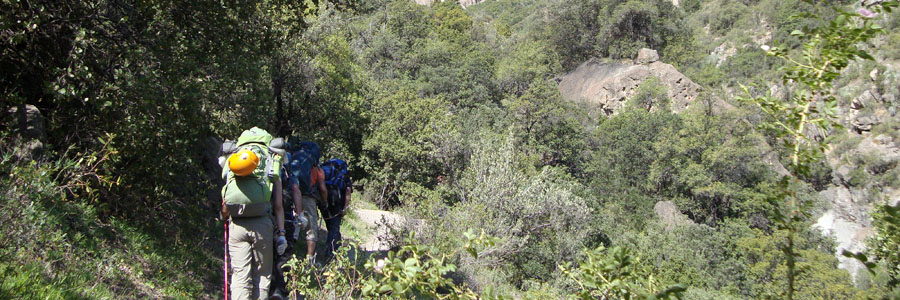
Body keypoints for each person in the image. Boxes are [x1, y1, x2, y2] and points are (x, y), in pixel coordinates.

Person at [220, 127, 287, 300]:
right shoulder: (271, 162)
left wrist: (225, 216)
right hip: (262, 225)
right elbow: (278, 205)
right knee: (262, 275)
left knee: (240, 275)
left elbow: (226, 202)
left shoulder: (234, 161)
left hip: (237, 224)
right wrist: (281, 234)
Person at [288, 141, 327, 267]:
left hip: (290, 194)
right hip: (307, 198)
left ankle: (288, 254)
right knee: (311, 228)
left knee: (292, 224)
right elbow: (322, 188)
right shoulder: (317, 169)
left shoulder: (291, 161)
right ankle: (309, 260)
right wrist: (324, 202)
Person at [320, 159, 352, 262]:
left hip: (323, 202)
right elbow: (348, 192)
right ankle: (330, 255)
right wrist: (345, 208)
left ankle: (335, 251)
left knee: (331, 227)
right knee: (334, 229)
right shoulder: (345, 177)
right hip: (337, 204)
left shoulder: (325, 173)